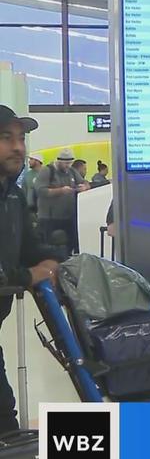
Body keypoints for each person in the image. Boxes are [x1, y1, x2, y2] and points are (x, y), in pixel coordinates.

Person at [0, 106, 60, 434]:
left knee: (5, 419)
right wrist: (28, 276)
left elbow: (32, 248)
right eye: (6, 138)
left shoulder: (13, 195)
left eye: (21, 138)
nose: (18, 147)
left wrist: (52, 262)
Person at [35, 148, 88, 254]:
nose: (67, 166)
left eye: (70, 163)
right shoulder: (47, 171)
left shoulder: (72, 171)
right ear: (59, 161)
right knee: (49, 249)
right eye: (65, 163)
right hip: (49, 219)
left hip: (68, 217)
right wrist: (60, 191)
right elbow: (40, 191)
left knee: (70, 247)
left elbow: (85, 182)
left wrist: (84, 187)